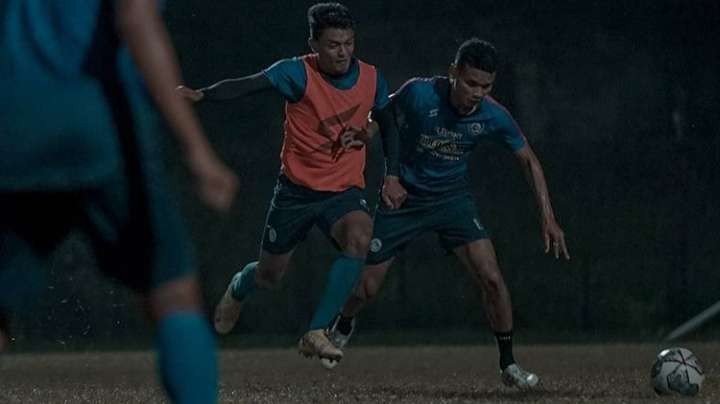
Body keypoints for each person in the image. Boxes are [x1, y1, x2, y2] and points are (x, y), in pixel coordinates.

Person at [0, 1, 238, 403]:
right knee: (172, 292)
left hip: (14, 124)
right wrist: (196, 148)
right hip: (100, 123)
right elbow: (134, 17)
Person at [323, 38, 570, 389]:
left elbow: (528, 159)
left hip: (452, 201)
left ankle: (509, 364)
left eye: (486, 86)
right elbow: (383, 112)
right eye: (470, 83)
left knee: (492, 278)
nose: (477, 93)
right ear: (453, 73)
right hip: (404, 201)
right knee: (365, 289)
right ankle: (344, 322)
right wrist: (365, 135)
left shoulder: (493, 114)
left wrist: (548, 216)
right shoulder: (420, 94)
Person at [176, 2, 404, 362]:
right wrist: (203, 94)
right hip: (295, 194)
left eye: (348, 43)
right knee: (269, 275)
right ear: (313, 44)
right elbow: (248, 86)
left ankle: (316, 331)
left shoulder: (372, 77)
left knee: (361, 238)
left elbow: (388, 123)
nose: (343, 51)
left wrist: (390, 173)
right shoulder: (296, 73)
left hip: (343, 192)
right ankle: (239, 285)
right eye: (333, 44)